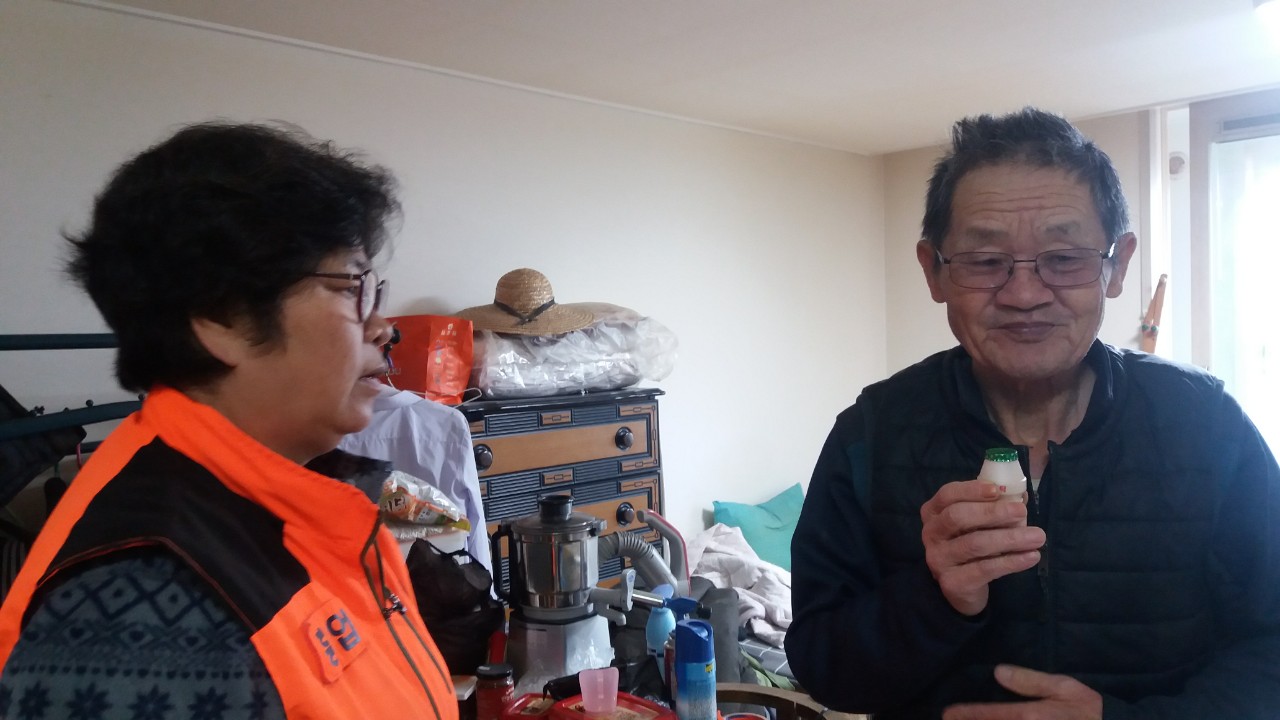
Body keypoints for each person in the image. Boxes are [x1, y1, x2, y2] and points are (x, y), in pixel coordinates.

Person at [785, 107, 1280, 719]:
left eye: (1065, 258)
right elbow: (823, 670)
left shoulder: (1208, 426)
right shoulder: (871, 433)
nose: (1023, 295)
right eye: (985, 261)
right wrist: (935, 598)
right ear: (934, 272)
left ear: (1117, 266)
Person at [0, 122, 458, 719]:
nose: (383, 327)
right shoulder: (147, 614)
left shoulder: (303, 492)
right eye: (351, 287)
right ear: (226, 319)